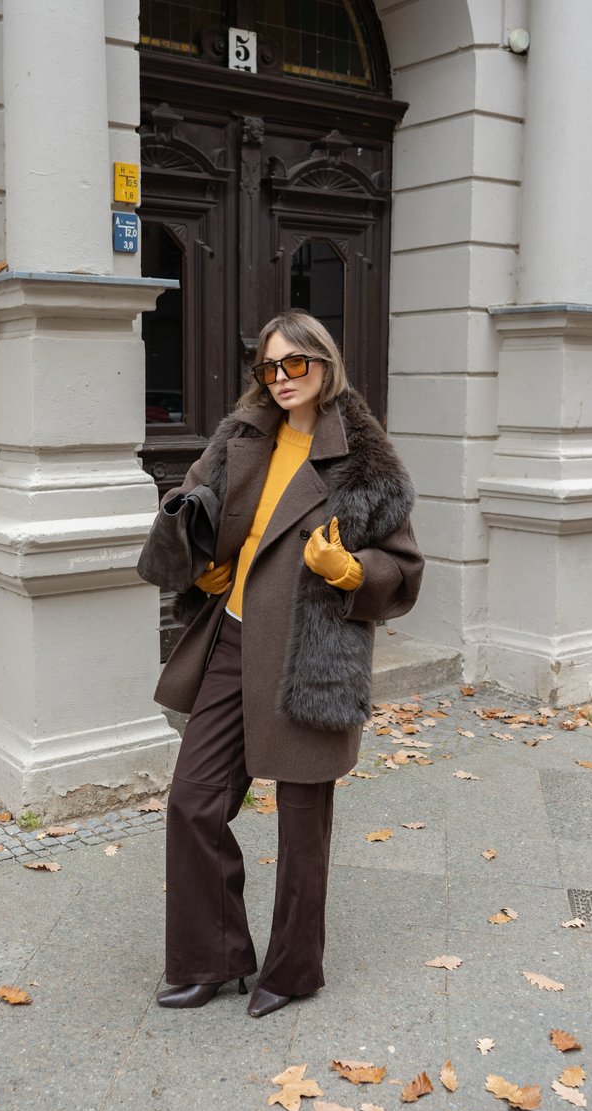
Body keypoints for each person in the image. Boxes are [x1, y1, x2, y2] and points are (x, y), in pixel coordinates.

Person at [139, 309, 424, 1018]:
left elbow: (407, 568)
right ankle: (213, 957)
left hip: (309, 657)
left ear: (325, 363)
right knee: (193, 801)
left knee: (302, 825)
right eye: (269, 367)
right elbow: (204, 521)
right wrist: (201, 562)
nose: (281, 379)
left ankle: (295, 971)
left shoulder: (366, 458)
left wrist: (351, 569)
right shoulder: (241, 436)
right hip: (232, 644)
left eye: (295, 363)